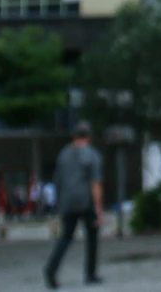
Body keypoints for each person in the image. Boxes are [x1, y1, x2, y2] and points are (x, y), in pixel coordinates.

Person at [43, 120, 104, 289]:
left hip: (68, 201)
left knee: (66, 237)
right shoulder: (92, 155)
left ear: (73, 136)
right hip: (86, 200)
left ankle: (51, 268)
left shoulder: (64, 154)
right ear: (89, 137)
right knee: (92, 236)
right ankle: (90, 273)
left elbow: (57, 181)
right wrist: (98, 208)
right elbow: (95, 183)